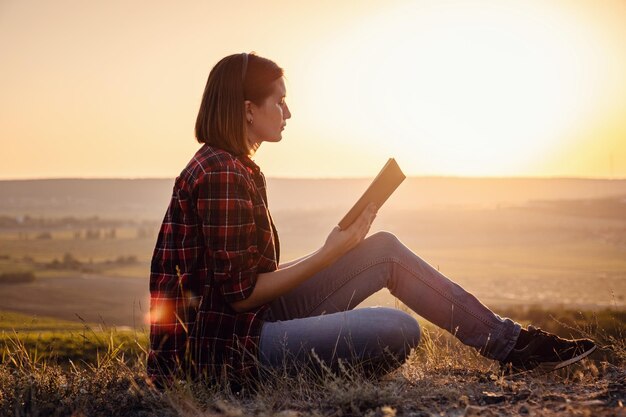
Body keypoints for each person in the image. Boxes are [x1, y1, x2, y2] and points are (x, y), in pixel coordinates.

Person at [148, 52, 596, 388]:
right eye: (280, 102)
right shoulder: (222, 172)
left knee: (380, 249)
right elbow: (242, 296)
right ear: (248, 109)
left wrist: (337, 251)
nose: (289, 113)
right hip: (225, 355)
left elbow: (242, 284)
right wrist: (329, 254)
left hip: (244, 327)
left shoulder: (228, 165)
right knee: (397, 329)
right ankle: (512, 346)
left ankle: (512, 344)